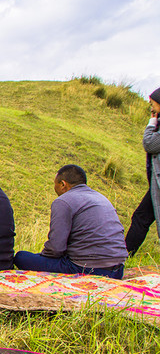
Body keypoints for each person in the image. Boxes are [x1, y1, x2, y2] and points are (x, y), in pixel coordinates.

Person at [14, 164, 128, 279]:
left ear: (63, 184)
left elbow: (55, 249)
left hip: (88, 269)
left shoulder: (63, 201)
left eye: (55, 185)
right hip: (118, 270)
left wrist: (42, 257)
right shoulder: (101, 198)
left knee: (21, 257)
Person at [125, 87, 160, 256]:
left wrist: (151, 124)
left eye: (152, 104)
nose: (151, 108)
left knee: (141, 217)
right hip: (156, 185)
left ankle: (125, 254)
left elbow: (150, 144)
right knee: (141, 217)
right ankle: (125, 254)